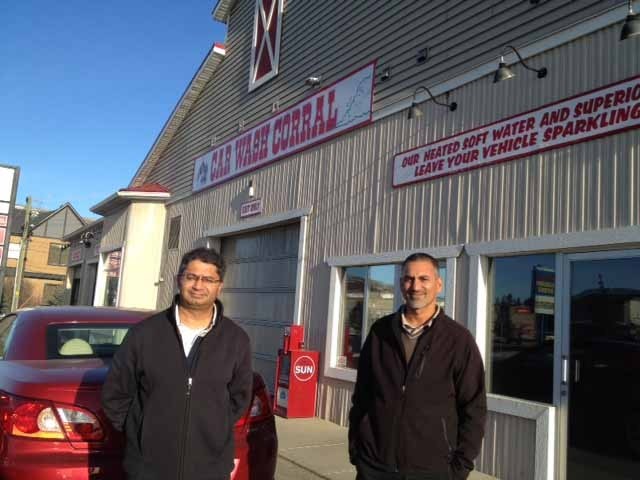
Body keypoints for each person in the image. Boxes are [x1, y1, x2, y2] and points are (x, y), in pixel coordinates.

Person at [102, 247, 253, 480]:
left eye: (208, 279)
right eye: (191, 277)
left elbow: (239, 399)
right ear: (178, 280)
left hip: (209, 469)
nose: (198, 286)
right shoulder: (144, 334)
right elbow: (116, 394)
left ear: (219, 286)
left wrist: (213, 430)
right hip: (148, 468)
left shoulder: (236, 340)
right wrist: (141, 432)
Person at [348, 253, 487, 480]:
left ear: (438, 284)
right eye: (408, 279)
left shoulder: (458, 340)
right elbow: (362, 396)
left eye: (424, 279)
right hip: (374, 466)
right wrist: (357, 450)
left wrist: (458, 468)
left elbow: (474, 408)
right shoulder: (379, 332)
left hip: (432, 470)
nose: (415, 286)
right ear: (401, 283)